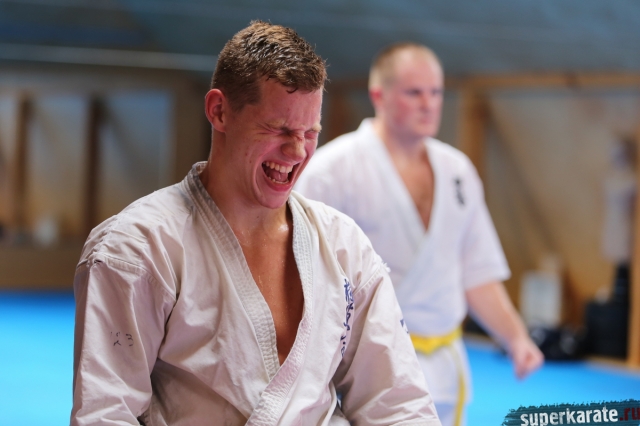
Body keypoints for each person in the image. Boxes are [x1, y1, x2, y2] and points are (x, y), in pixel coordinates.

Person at [70, 22, 441, 426]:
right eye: (278, 128)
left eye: (310, 132)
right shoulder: (138, 248)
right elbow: (106, 414)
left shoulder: (343, 246)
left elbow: (398, 403)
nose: (297, 150)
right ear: (219, 111)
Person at [295, 42, 543, 426]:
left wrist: (515, 337)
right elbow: (298, 270)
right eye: (414, 93)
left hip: (445, 364)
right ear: (379, 95)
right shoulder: (332, 171)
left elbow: (477, 271)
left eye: (436, 92)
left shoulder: (458, 171)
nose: (428, 104)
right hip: (368, 363)